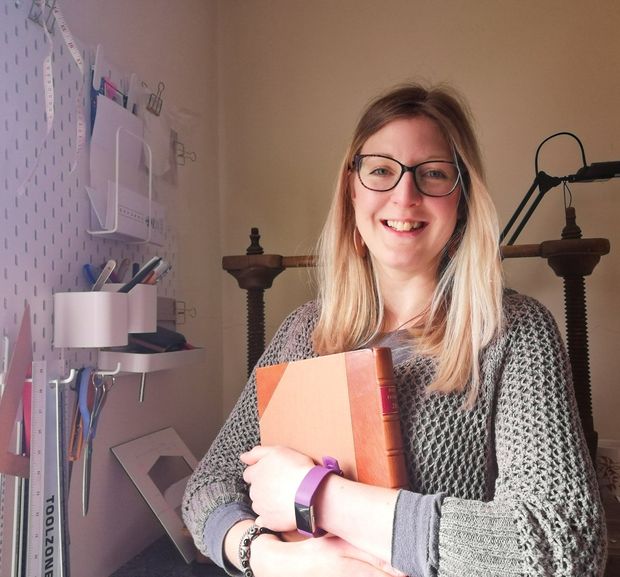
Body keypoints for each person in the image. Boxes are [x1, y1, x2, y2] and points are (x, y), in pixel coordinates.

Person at [183, 83, 606, 577]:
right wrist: (271, 558)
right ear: (352, 188)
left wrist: (318, 496)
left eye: (432, 174)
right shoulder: (303, 332)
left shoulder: (513, 333)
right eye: (381, 170)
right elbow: (208, 485)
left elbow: (563, 546)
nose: (405, 195)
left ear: (462, 199)